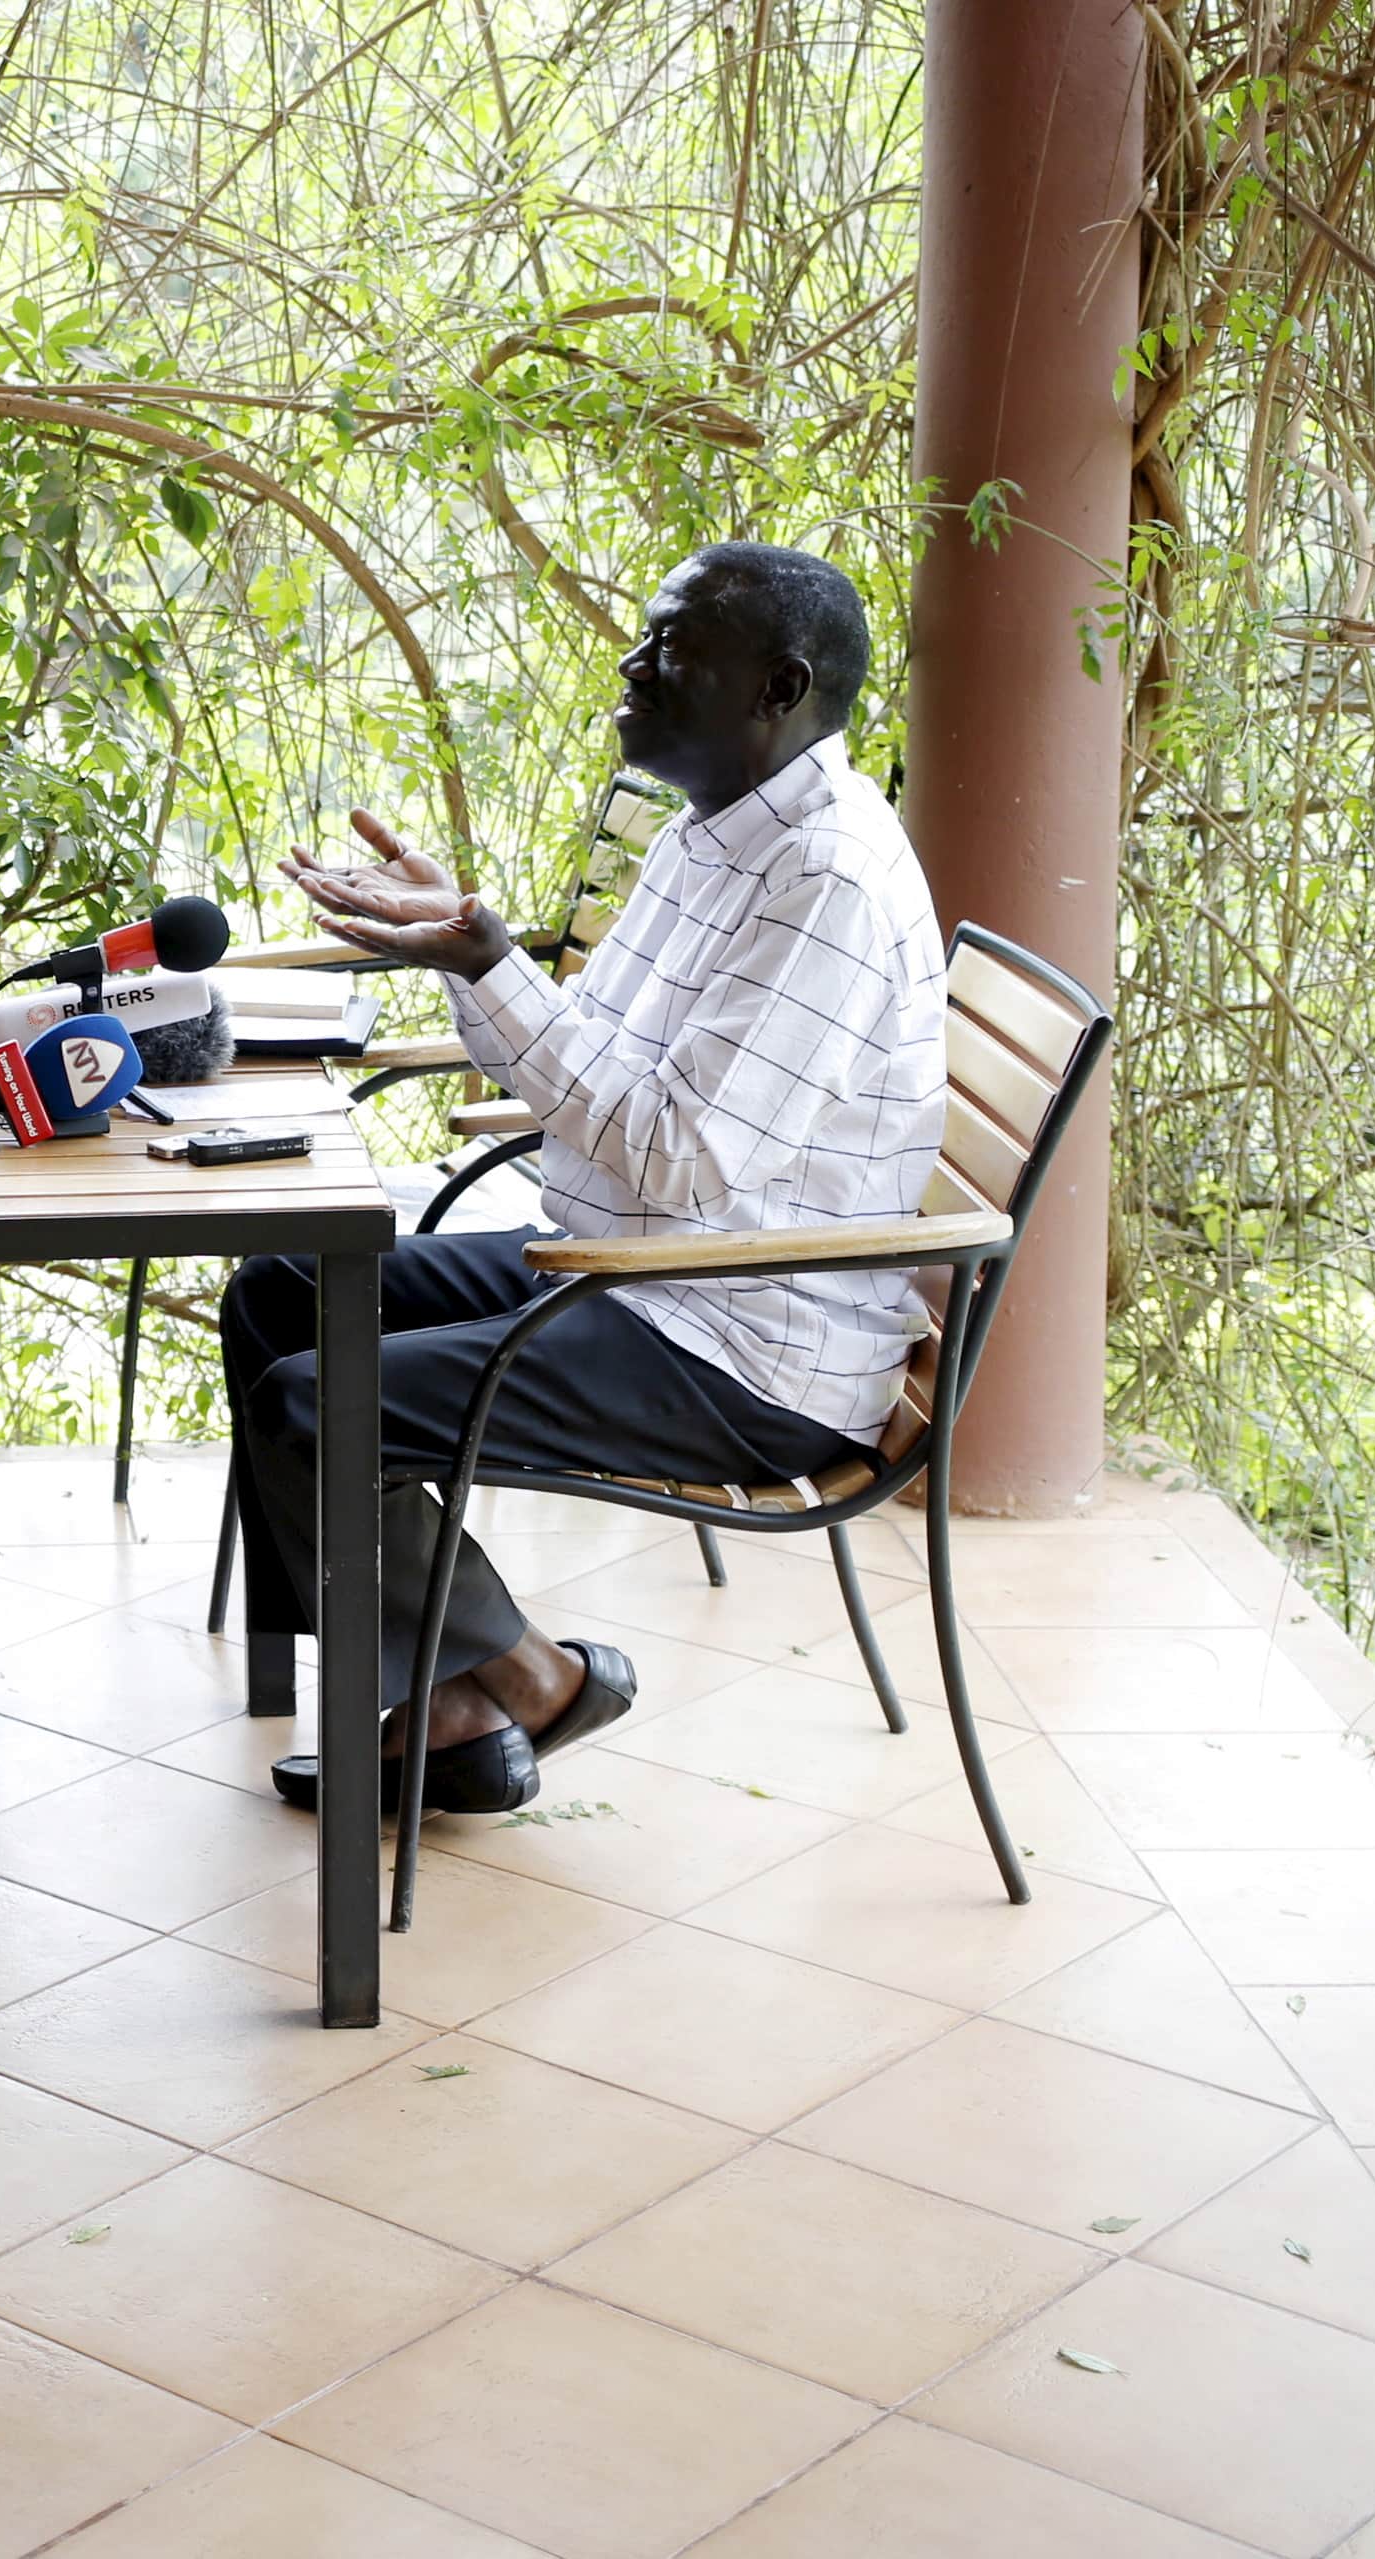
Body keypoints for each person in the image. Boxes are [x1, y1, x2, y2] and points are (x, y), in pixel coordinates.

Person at [226, 542, 944, 1816]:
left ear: (775, 688)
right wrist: (469, 951)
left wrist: (490, 960)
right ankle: (442, 1694)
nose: (630, 667)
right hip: (636, 1262)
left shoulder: (823, 879)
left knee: (312, 1403)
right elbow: (593, 1059)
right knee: (283, 1287)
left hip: (741, 1331)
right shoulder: (710, 829)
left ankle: (517, 1678)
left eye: (670, 648)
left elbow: (683, 1152)